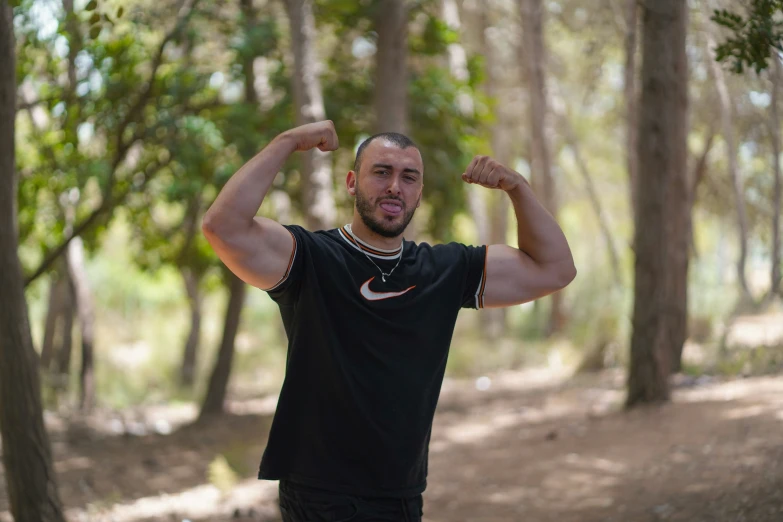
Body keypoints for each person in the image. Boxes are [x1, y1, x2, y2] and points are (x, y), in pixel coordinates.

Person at [201, 120, 576, 522]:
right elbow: (222, 227)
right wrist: (287, 141)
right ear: (351, 183)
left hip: (401, 492)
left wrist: (516, 187)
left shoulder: (443, 270)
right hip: (320, 491)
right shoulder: (312, 258)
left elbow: (554, 268)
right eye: (381, 172)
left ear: (419, 193)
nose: (395, 186)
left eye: (408, 177)